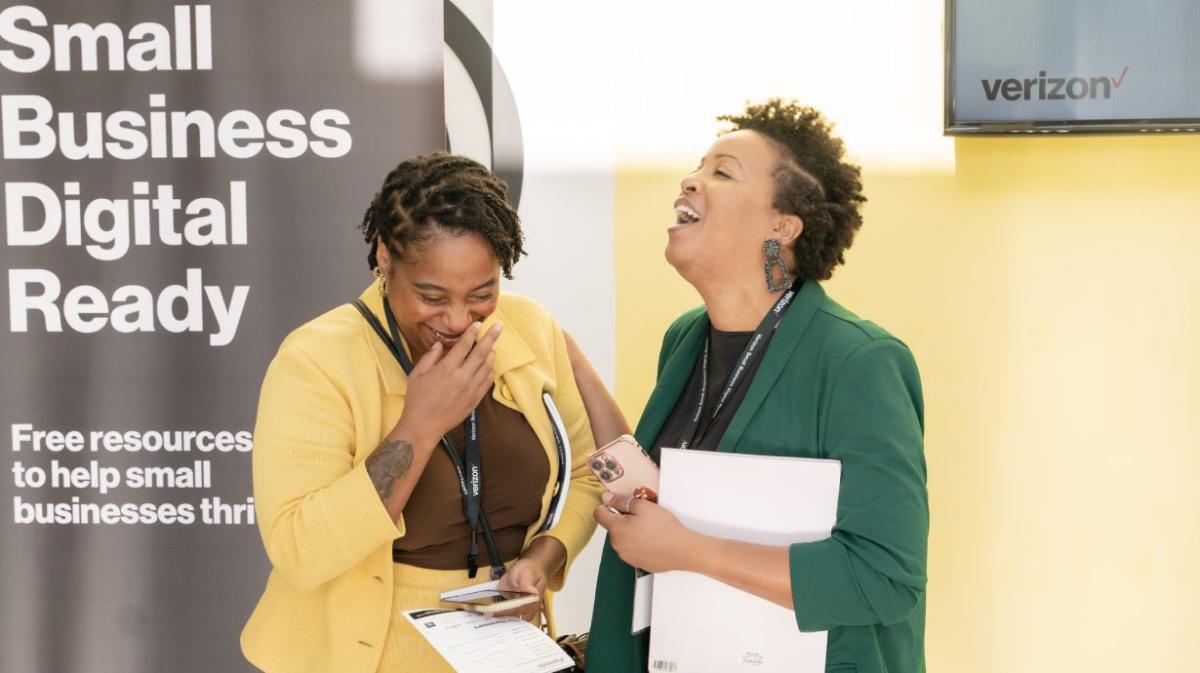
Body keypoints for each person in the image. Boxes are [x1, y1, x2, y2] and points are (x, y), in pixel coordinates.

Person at [582, 100, 928, 673]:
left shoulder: (860, 362)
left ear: (781, 227)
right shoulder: (685, 340)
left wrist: (687, 551)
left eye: (722, 172)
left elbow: (884, 578)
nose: (690, 180)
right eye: (697, 166)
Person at [240, 153, 604, 673]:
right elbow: (301, 551)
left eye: (482, 294)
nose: (458, 320)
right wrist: (421, 426)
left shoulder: (530, 328)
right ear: (385, 257)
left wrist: (544, 557)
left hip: (504, 652)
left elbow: (587, 471)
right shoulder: (316, 358)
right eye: (431, 296)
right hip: (365, 656)